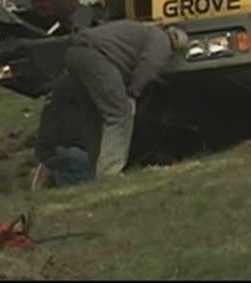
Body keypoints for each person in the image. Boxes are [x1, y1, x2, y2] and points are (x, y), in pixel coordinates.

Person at [62, 21, 191, 179]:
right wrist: (133, 94)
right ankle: (109, 173)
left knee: (94, 117)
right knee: (120, 115)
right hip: (97, 58)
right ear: (176, 42)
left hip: (75, 52)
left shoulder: (144, 31)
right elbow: (149, 66)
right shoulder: (162, 41)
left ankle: (95, 171)